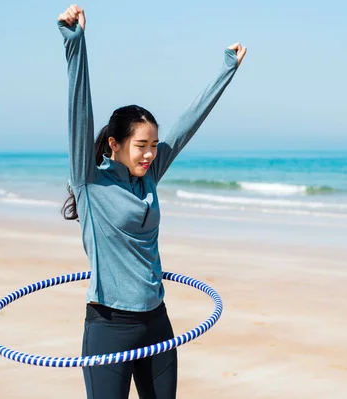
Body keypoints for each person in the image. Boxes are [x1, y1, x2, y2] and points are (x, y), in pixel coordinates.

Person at [57, 4, 246, 398]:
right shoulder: (89, 183)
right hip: (109, 327)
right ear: (115, 144)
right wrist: (76, 45)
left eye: (154, 147)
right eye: (141, 146)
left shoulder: (151, 175)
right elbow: (79, 112)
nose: (149, 154)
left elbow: (189, 122)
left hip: (156, 322)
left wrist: (227, 69)